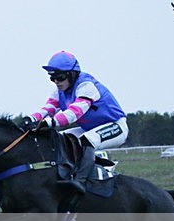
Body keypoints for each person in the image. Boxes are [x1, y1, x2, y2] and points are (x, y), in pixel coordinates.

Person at [23, 51, 128, 193]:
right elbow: (48, 108)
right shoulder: (59, 90)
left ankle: (80, 182)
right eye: (52, 78)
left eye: (59, 77)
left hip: (116, 126)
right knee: (59, 138)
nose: (56, 82)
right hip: (89, 127)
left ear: (71, 74)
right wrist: (31, 119)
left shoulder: (86, 86)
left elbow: (72, 114)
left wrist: (49, 123)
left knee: (87, 140)